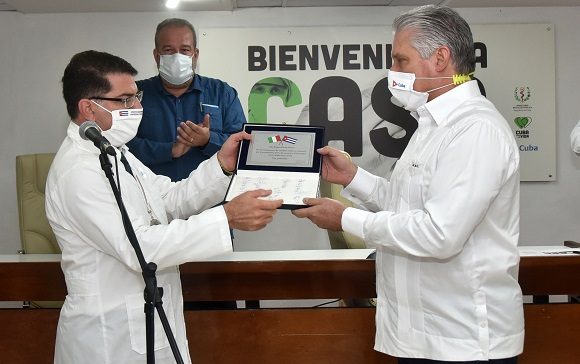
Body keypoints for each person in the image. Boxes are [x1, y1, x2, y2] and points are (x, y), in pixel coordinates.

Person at [293, 5, 523, 363]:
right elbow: (405, 204)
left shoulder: (475, 129)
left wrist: (345, 219)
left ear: (441, 58)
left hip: (463, 341)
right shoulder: (431, 125)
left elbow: (440, 233)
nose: (393, 73)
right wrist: (353, 177)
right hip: (424, 337)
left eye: (401, 61)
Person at [46, 50, 282, 364]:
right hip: (108, 339)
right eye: (126, 99)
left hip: (146, 325)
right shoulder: (78, 171)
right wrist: (225, 217)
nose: (138, 107)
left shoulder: (115, 153)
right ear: (89, 107)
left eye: (137, 96)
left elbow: (168, 200)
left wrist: (221, 166)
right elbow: (139, 249)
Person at [126, 18, 245, 182]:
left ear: (195, 54)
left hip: (212, 198)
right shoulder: (133, 94)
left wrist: (208, 140)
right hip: (152, 199)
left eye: (185, 50)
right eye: (168, 50)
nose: (177, 57)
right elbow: (121, 144)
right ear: (156, 55)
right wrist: (169, 150)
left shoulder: (222, 92)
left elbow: (242, 145)